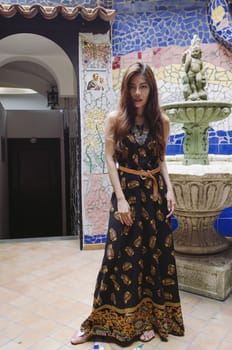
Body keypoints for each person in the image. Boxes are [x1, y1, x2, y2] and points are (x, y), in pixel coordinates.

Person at [71, 61, 185, 346]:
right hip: (127, 196)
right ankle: (98, 321)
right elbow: (110, 159)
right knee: (116, 256)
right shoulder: (115, 119)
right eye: (132, 87)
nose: (137, 92)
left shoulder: (162, 122)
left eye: (143, 87)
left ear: (151, 89)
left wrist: (170, 191)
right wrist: (120, 199)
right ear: (125, 89)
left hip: (155, 198)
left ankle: (146, 320)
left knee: (152, 259)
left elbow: (161, 161)